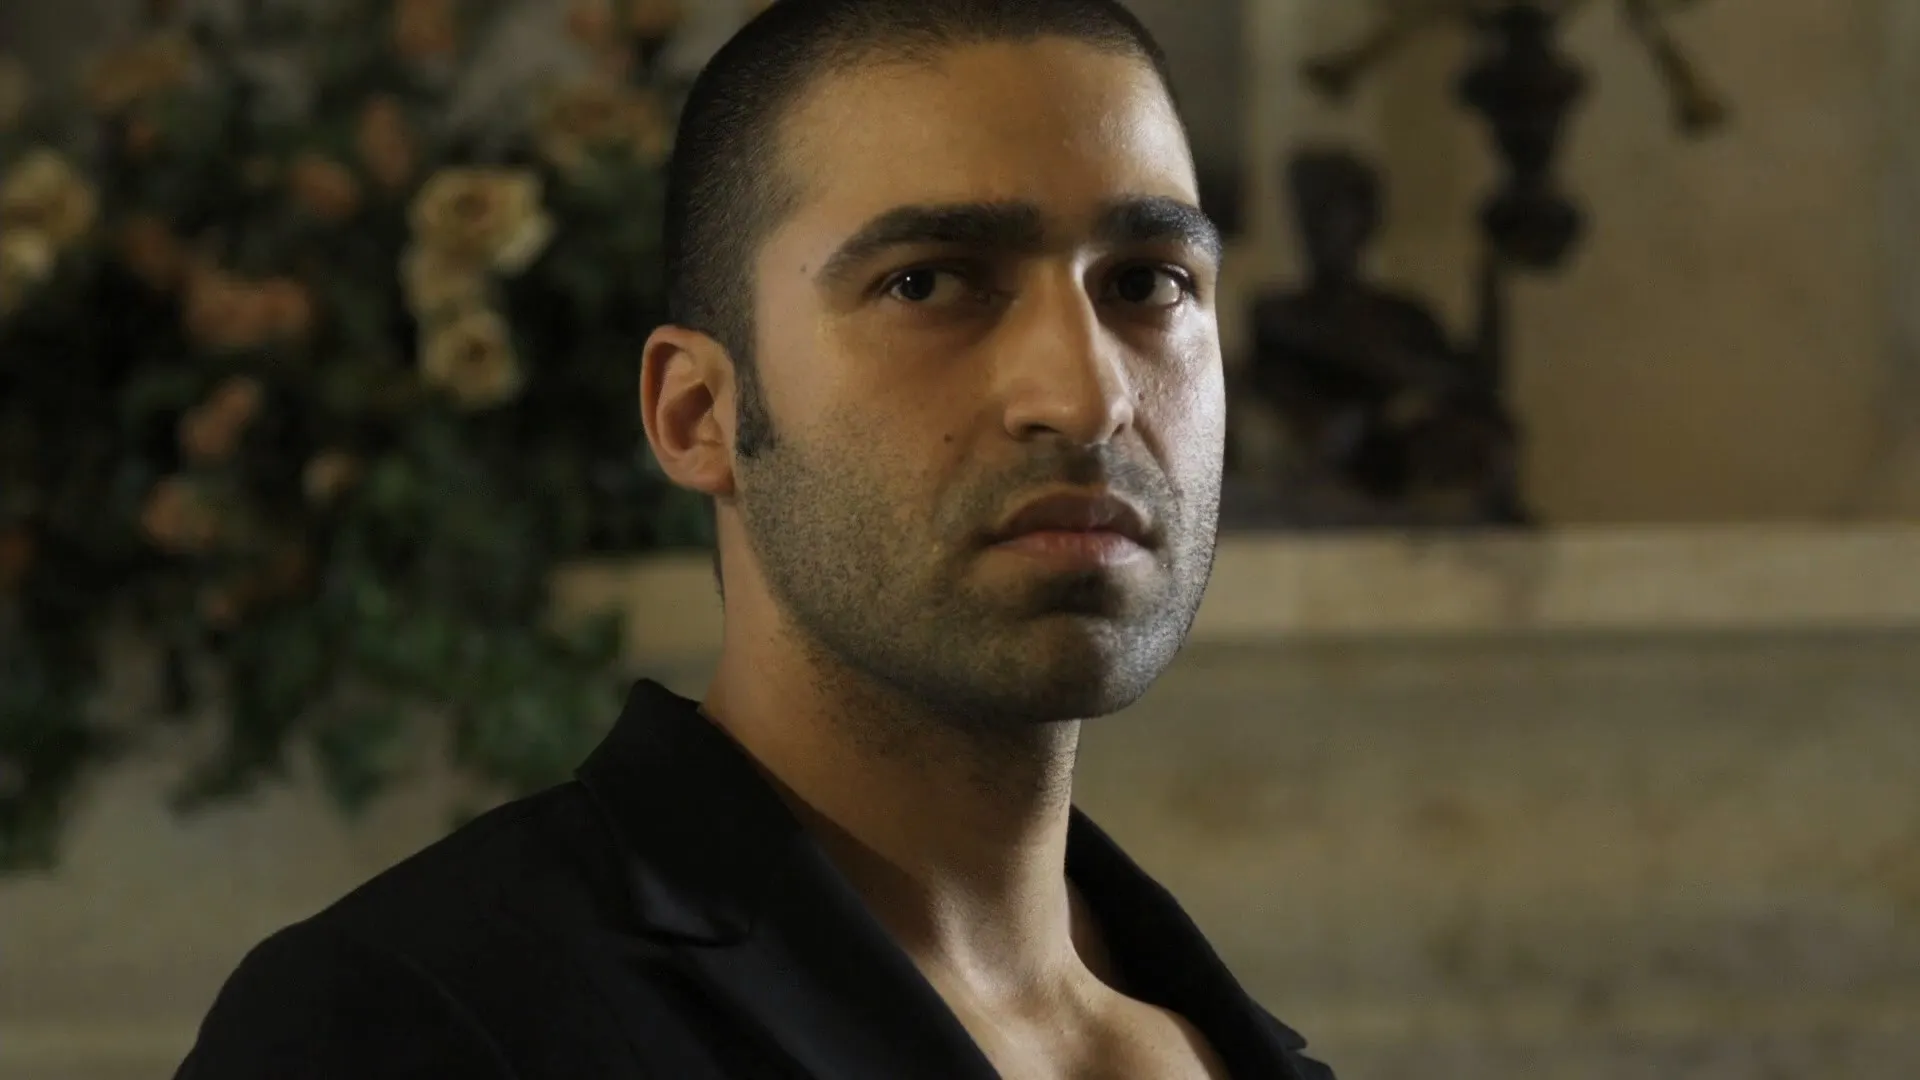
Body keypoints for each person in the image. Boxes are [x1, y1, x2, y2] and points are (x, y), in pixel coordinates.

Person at [173, 1, 1337, 1077]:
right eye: (930, 283)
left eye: (1147, 282)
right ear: (698, 415)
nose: (1086, 399)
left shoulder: (1250, 1057)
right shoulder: (408, 1023)